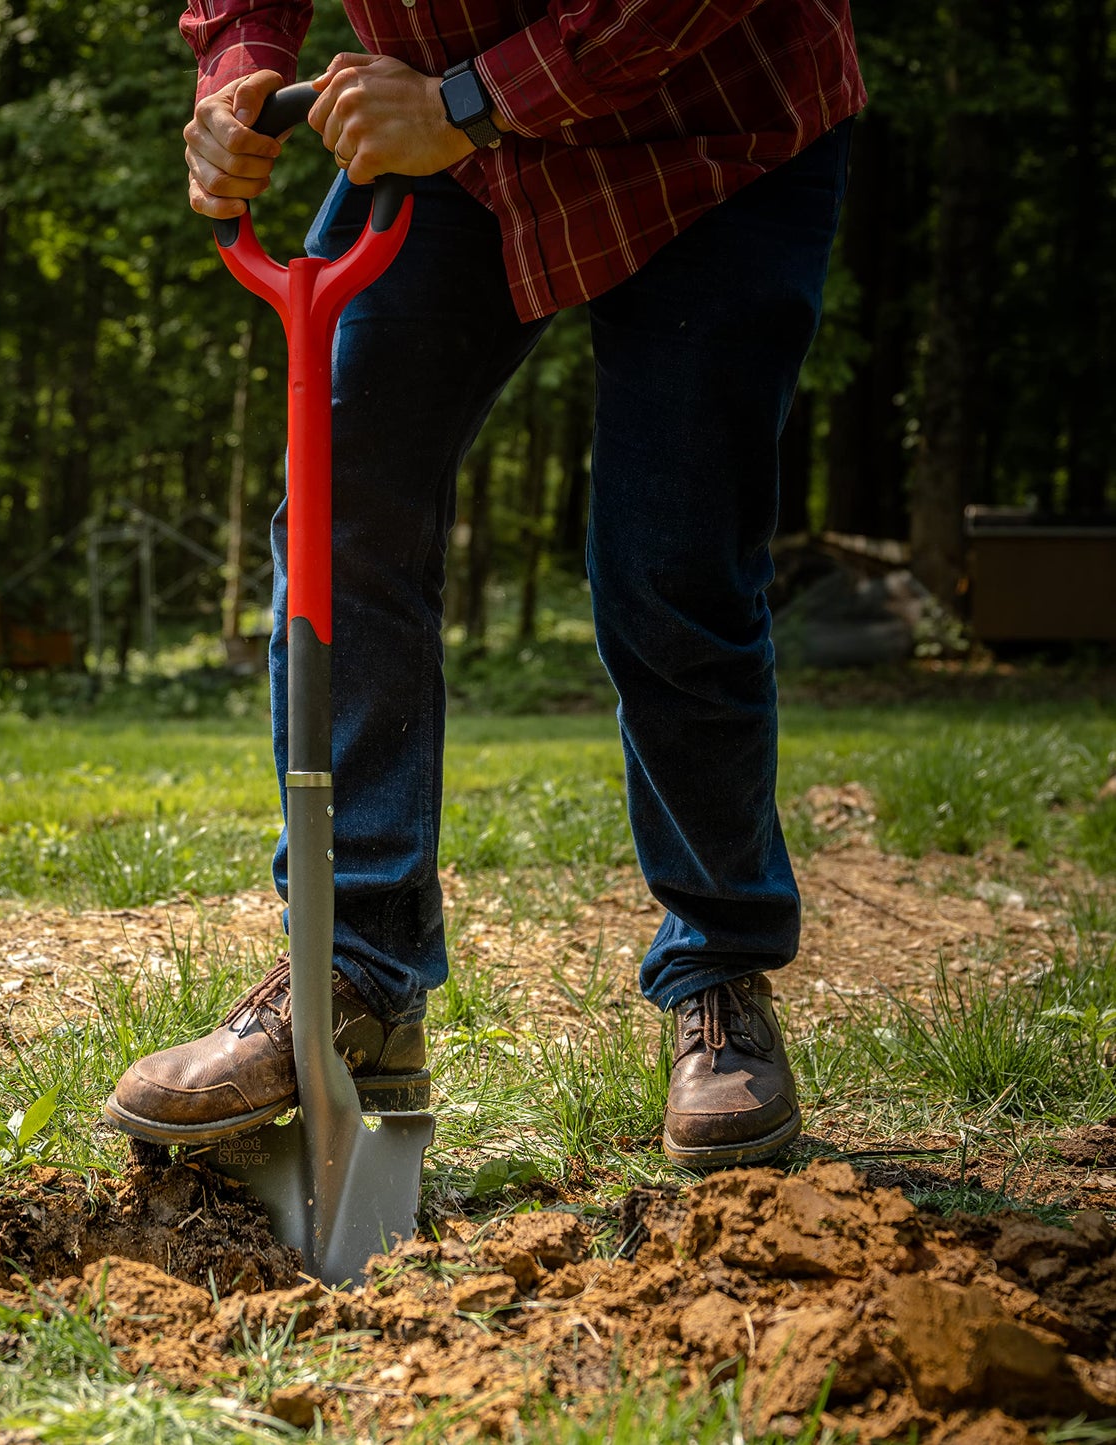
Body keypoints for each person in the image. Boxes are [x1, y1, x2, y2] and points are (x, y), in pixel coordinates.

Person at [105, 0, 866, 1168]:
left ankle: (718, 974)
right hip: (438, 130)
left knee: (669, 561)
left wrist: (471, 102)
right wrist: (236, 74)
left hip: (712, 123)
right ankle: (354, 975)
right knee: (339, 516)